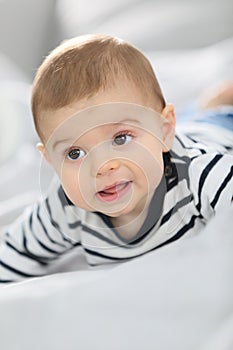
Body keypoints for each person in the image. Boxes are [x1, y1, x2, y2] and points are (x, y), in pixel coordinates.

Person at [0, 34, 232, 283]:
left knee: (212, 115)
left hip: (216, 132)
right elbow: (13, 255)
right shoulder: (63, 208)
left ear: (165, 131)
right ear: (51, 161)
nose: (102, 166)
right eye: (75, 153)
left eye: (121, 138)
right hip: (161, 132)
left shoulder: (202, 174)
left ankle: (214, 103)